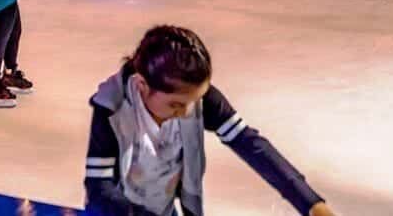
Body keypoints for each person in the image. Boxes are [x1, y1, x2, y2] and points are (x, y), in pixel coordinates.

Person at [84, 25, 335, 216]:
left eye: (192, 102)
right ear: (142, 85)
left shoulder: (197, 99)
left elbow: (251, 145)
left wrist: (311, 203)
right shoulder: (111, 109)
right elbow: (99, 188)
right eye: (175, 104)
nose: (185, 113)